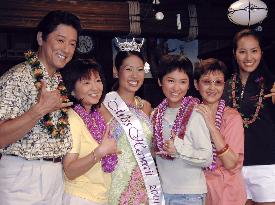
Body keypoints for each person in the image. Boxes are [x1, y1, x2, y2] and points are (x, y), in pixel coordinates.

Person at [0, 10, 81, 205]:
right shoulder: (17, 77)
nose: (67, 49)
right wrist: (39, 110)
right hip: (23, 175)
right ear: (40, 38)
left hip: (55, 176)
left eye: (72, 44)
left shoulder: (58, 80)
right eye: (60, 40)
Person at [100, 50, 164, 205]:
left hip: (145, 185)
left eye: (140, 70)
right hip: (116, 184)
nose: (135, 76)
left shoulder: (146, 107)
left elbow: (149, 149)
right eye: (128, 69)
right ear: (116, 71)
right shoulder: (104, 105)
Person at [151, 54, 213, 205]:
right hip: (162, 193)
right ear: (160, 81)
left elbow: (207, 158)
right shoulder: (155, 114)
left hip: (189, 195)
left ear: (189, 84)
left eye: (182, 82)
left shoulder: (195, 113)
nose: (176, 88)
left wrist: (178, 149)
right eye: (171, 81)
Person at [223, 29, 275, 205]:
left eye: (254, 51)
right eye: (242, 51)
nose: (248, 57)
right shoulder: (224, 86)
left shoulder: (272, 84)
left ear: (261, 52)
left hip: (267, 166)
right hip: (234, 167)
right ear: (234, 53)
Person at [60, 59, 120, 205]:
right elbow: (69, 171)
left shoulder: (95, 116)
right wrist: (100, 152)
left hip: (99, 197)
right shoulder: (72, 119)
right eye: (86, 83)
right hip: (80, 198)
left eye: (98, 80)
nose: (95, 87)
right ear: (72, 89)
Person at [194, 58, 246, 205]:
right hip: (197, 190)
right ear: (196, 84)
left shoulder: (232, 117)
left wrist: (211, 125)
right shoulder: (189, 115)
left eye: (218, 82)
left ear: (224, 86)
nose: (212, 87)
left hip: (226, 192)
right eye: (206, 81)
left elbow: (230, 162)